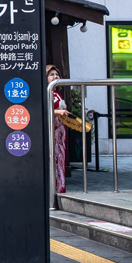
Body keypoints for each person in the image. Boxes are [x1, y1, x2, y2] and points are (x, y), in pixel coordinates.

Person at [47, 64, 74, 194]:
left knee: (60, 160)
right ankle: (52, 191)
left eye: (57, 74)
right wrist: (58, 112)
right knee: (52, 159)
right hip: (50, 130)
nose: (55, 77)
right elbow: (42, 109)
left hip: (60, 132)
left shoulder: (57, 93)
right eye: (51, 74)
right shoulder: (45, 91)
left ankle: (60, 189)